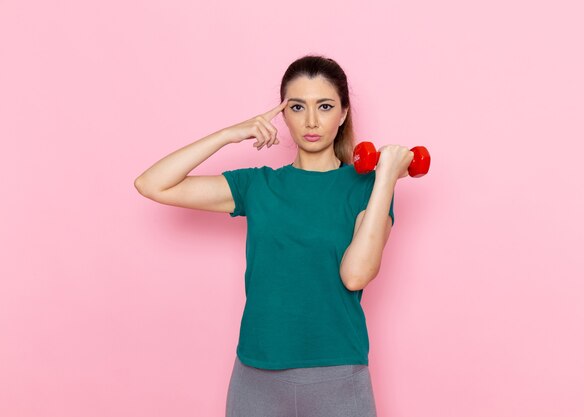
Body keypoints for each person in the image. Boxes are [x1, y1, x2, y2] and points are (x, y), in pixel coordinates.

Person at [134, 55, 414, 417]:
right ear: (283, 115)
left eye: (325, 106)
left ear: (343, 113)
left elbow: (356, 274)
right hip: (256, 378)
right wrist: (229, 134)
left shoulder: (367, 189)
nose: (311, 121)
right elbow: (151, 184)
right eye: (297, 107)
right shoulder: (258, 185)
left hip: (338, 376)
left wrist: (386, 177)